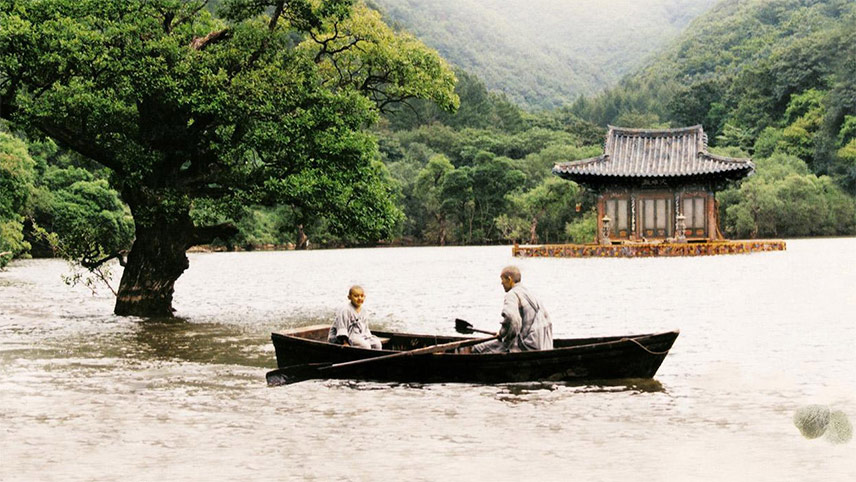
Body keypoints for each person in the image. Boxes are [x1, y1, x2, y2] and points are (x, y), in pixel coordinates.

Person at [472, 265, 553, 353]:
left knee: (476, 349)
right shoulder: (529, 293)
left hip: (526, 346)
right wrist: (503, 333)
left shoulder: (512, 294)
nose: (501, 283)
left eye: (502, 279)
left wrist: (503, 334)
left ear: (509, 279)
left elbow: (512, 320)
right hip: (542, 345)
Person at [328, 285, 382, 350]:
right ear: (349, 297)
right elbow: (342, 328)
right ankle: (363, 357)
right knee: (365, 346)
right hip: (345, 336)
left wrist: (368, 337)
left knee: (377, 344)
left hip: (359, 334)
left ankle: (376, 358)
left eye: (362, 296)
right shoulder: (345, 310)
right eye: (356, 296)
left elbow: (365, 328)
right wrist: (345, 342)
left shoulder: (364, 311)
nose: (359, 298)